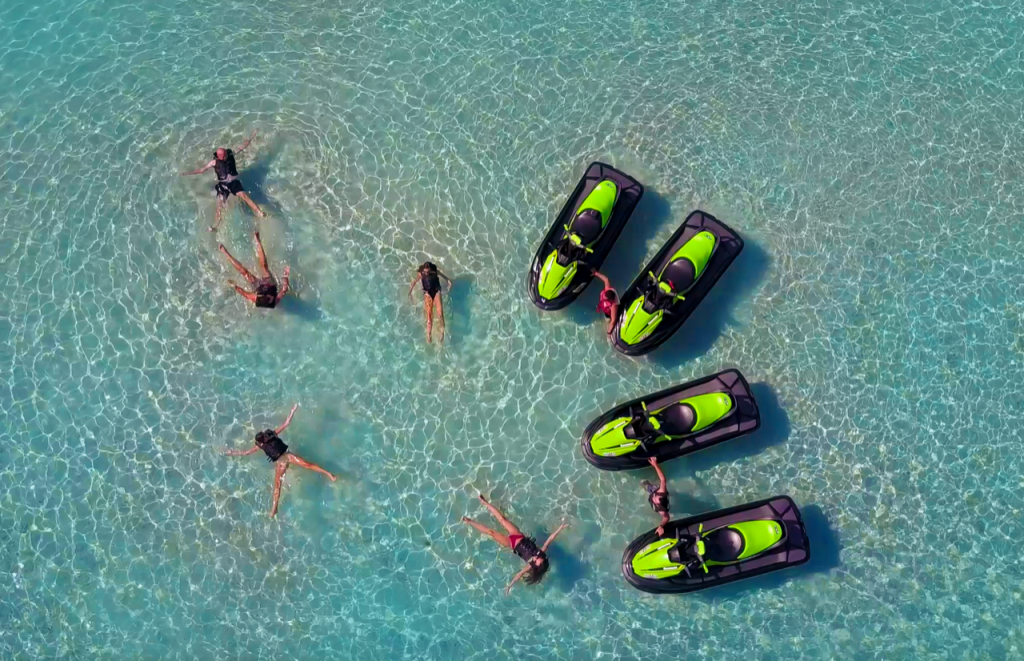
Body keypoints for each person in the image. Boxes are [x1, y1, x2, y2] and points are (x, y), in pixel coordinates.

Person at [224, 404, 337, 517]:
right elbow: (247, 452)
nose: (265, 437)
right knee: (277, 486)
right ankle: (274, 508)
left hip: (288, 456)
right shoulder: (260, 446)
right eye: (263, 437)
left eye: (264, 435)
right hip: (280, 463)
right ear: (262, 441)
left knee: (307, 465)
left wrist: (292, 411)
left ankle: (328, 474)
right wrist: (233, 452)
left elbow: (286, 424)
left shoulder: (272, 434)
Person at [461, 494, 568, 595]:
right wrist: (560, 528)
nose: (536, 557)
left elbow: (519, 574)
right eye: (539, 558)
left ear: (534, 565)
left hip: (511, 544)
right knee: (502, 519)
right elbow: (550, 539)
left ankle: (469, 521)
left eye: (536, 560)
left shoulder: (529, 566)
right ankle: (484, 502)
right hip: (518, 535)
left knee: (491, 532)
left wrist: (510, 585)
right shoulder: (541, 552)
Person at [180, 129, 266, 230]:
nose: (226, 155)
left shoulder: (230, 154)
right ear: (220, 157)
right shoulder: (214, 162)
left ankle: (259, 212)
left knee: (244, 196)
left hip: (234, 183)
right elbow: (201, 170)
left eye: (226, 153)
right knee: (219, 206)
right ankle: (215, 226)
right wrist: (187, 173)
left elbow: (242, 146)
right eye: (224, 155)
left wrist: (252, 136)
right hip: (223, 186)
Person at [219, 231, 290, 308]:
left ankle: (226, 254)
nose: (270, 297)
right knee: (264, 266)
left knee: (245, 273)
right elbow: (284, 290)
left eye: (269, 298)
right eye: (270, 297)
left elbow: (245, 294)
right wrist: (285, 276)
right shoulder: (274, 301)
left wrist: (235, 286)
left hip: (258, 287)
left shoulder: (256, 299)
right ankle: (257, 240)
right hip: (270, 284)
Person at [407, 261, 452, 343]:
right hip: (427, 294)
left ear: (430, 269)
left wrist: (449, 282)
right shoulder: (421, 274)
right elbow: (414, 282)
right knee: (429, 317)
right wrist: (409, 292)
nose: (426, 273)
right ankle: (429, 335)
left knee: (440, 314)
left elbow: (445, 277)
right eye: (425, 271)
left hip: (436, 292)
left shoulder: (435, 272)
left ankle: (442, 333)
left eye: (428, 271)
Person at [641, 457, 671, 537]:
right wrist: (655, 464)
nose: (656, 499)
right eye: (657, 498)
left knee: (643, 484)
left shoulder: (661, 510)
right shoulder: (661, 492)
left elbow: (666, 517)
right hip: (654, 490)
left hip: (652, 497)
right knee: (643, 483)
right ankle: (650, 476)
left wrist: (661, 526)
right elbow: (663, 479)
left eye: (657, 500)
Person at [591, 268, 619, 333]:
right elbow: (606, 279)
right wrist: (596, 273)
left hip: (608, 314)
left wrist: (609, 332)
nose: (603, 297)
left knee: (608, 321)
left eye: (605, 299)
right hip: (605, 307)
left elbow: (613, 320)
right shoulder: (607, 289)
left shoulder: (613, 305)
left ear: (610, 300)